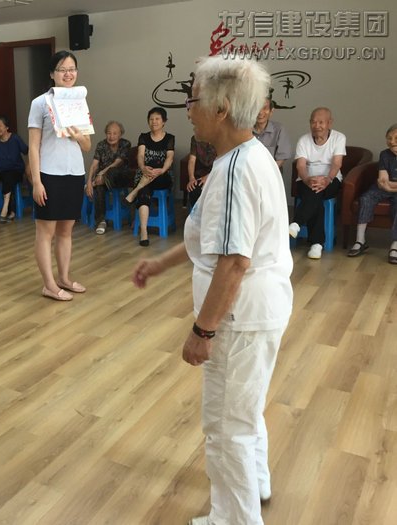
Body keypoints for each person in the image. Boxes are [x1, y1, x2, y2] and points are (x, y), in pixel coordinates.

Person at [133, 57, 293, 525]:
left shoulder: (235, 170)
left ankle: (234, 519)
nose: (188, 109)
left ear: (221, 109)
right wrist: (159, 263)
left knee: (226, 426)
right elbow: (211, 239)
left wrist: (202, 331)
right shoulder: (246, 157)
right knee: (244, 410)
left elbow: (234, 261)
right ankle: (255, 483)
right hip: (258, 312)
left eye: (194, 100)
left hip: (238, 319)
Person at [29, 50, 91, 301]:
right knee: (46, 232)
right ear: (52, 74)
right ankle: (49, 285)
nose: (68, 74)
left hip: (74, 173)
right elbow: (33, 146)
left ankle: (64, 278)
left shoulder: (79, 101)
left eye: (72, 69)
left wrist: (77, 135)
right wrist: (36, 181)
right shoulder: (40, 103)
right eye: (62, 70)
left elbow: (87, 145)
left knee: (66, 231)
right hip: (49, 174)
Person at [289, 107, 346, 259]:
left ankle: (297, 223)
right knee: (316, 196)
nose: (317, 126)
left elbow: (337, 163)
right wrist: (307, 179)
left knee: (315, 193)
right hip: (307, 180)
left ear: (329, 123)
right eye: (313, 122)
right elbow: (301, 166)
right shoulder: (303, 140)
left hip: (331, 179)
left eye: (321, 122)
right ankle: (317, 244)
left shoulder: (339, 138)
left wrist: (327, 179)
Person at [124, 107, 175, 246]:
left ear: (164, 121)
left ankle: (134, 192)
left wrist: (162, 170)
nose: (154, 122)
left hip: (163, 176)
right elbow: (140, 156)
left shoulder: (169, 138)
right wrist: (142, 167)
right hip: (145, 174)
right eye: (151, 119)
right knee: (144, 192)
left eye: (157, 119)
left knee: (155, 162)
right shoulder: (144, 137)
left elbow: (169, 158)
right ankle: (144, 232)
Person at [347, 123, 397, 263]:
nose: (392, 142)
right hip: (382, 188)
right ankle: (360, 240)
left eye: (396, 138)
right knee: (366, 198)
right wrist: (388, 187)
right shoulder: (385, 154)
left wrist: (390, 187)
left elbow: (386, 182)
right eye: (389, 138)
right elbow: (382, 180)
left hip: (389, 187)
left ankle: (395, 245)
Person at [85, 120, 131, 234]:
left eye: (115, 133)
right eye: (109, 133)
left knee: (112, 171)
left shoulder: (125, 144)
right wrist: (89, 181)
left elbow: (117, 162)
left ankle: (96, 183)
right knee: (99, 188)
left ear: (120, 134)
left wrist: (102, 173)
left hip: (120, 178)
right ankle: (101, 221)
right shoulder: (101, 145)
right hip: (102, 180)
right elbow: (94, 164)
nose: (111, 136)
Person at [0, 115, 30, 223]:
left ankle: (6, 208)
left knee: (9, 177)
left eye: (0, 126)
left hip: (17, 170)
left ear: (7, 127)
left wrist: (28, 167)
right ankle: (11, 211)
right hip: (2, 172)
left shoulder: (15, 138)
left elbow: (27, 151)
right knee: (7, 177)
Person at [252, 97, 292, 168]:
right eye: (257, 108)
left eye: (265, 108)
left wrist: (267, 172)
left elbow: (281, 159)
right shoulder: (245, 130)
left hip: (272, 172)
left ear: (271, 111)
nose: (260, 112)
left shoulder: (279, 129)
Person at [186, 135, 216, 211]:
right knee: (194, 188)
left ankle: (209, 215)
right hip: (200, 175)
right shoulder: (195, 138)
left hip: (216, 174)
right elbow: (192, 160)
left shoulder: (221, 138)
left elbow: (222, 161)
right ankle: (196, 215)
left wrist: (208, 176)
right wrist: (191, 178)